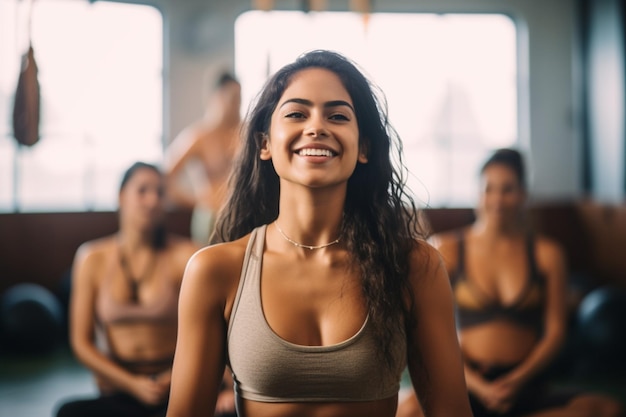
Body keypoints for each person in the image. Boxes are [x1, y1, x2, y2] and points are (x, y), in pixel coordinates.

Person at [165, 50, 473, 417]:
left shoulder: (414, 265)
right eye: (296, 113)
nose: (317, 127)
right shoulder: (214, 270)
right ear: (264, 143)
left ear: (364, 148)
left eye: (338, 116)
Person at [397, 148, 624, 417]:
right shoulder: (447, 249)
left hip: (526, 385)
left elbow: (555, 333)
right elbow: (428, 336)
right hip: (464, 382)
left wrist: (516, 381)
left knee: (607, 410)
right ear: (477, 194)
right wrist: (481, 388)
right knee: (405, 410)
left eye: (508, 189)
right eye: (488, 189)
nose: (497, 199)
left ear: (523, 195)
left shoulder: (547, 255)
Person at [54, 162, 200, 417]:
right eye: (143, 191)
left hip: (176, 385)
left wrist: (169, 380)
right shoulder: (91, 258)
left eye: (160, 193)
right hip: (120, 389)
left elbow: (208, 334)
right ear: (121, 196)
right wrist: (132, 384)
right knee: (67, 413)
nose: (153, 200)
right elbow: (81, 343)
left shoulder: (186, 256)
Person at [164, 72, 242, 246]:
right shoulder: (199, 136)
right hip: (211, 217)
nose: (236, 105)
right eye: (232, 98)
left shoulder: (246, 133)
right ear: (215, 97)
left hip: (243, 214)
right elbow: (165, 179)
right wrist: (199, 203)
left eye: (239, 99)